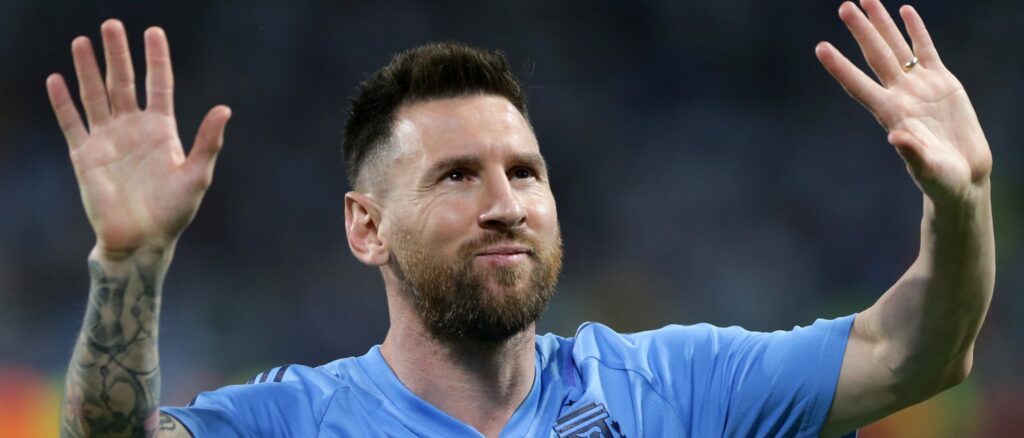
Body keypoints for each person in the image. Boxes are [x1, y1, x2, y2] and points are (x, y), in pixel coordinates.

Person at [49, 0, 993, 436]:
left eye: (525, 173)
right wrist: (128, 264)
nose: (506, 205)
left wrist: (964, 202)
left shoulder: (674, 391)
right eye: (457, 176)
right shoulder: (295, 421)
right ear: (365, 226)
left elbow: (917, 354)